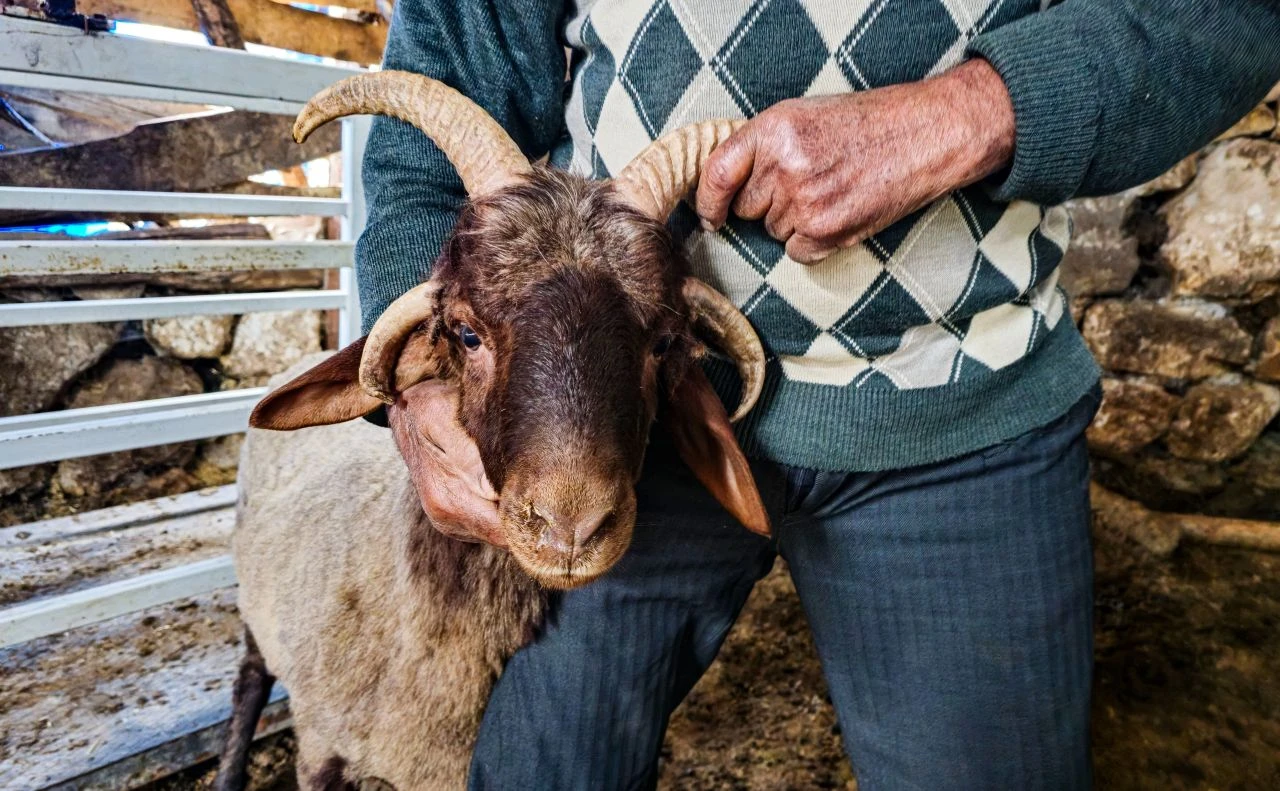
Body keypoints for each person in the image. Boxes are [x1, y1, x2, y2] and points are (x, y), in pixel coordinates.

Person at [356, 2, 1280, 788]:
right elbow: (448, 70)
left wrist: (966, 114)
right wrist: (429, 371)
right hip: (618, 421)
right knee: (533, 767)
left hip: (961, 411)